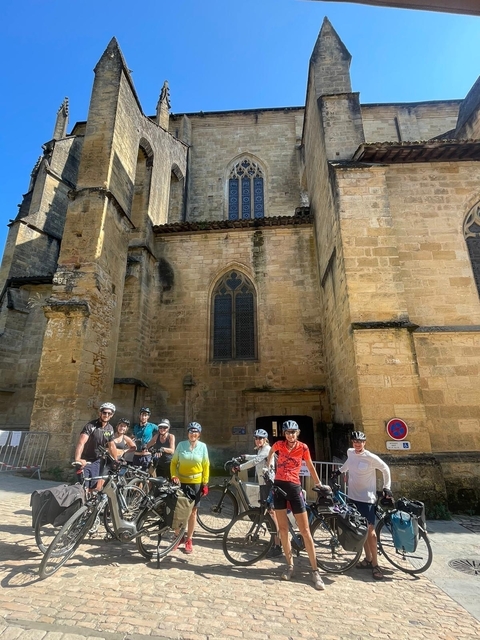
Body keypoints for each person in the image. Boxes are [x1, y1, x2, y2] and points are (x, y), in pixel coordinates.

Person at [266, 420, 326, 591]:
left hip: (294, 487)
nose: (290, 435)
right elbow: (271, 452)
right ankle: (290, 565)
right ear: (284, 433)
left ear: (297, 433)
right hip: (278, 486)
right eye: (287, 432)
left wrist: (319, 483)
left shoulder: (303, 447)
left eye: (293, 432)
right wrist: (269, 466)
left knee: (305, 531)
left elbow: (310, 465)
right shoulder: (279, 444)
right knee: (283, 530)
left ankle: (315, 571)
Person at [335, 430, 392, 581]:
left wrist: (387, 487)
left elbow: (385, 469)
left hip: (366, 500)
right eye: (355, 442)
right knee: (361, 531)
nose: (357, 444)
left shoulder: (370, 457)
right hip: (353, 498)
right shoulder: (351, 453)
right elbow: (349, 464)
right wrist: (339, 472)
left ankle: (375, 565)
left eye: (360, 442)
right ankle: (367, 559)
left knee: (371, 533)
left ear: (364, 443)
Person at [233, 428, 281, 557]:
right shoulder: (262, 450)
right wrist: (244, 456)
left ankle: (278, 544)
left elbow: (256, 461)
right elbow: (256, 457)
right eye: (256, 438)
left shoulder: (266, 449)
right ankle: (275, 540)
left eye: (260, 438)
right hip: (263, 484)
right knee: (268, 512)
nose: (258, 440)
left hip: (268, 485)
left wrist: (239, 467)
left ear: (265, 439)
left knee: (271, 513)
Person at [170, 421, 209, 554]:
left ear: (199, 434)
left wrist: (205, 483)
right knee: (179, 510)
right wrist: (174, 476)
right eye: (191, 431)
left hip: (196, 482)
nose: (193, 434)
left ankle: (189, 539)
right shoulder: (181, 445)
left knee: (193, 512)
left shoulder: (203, 447)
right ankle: (177, 537)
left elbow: (206, 465)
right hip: (181, 482)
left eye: (195, 432)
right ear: (188, 433)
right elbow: (174, 462)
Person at [73, 402, 117, 490]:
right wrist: (78, 459)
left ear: (112, 415)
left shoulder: (109, 429)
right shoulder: (91, 426)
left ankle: (88, 503)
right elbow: (81, 443)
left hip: (96, 461)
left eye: (109, 413)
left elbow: (112, 446)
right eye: (104, 412)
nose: (106, 415)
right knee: (83, 487)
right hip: (85, 460)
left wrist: (116, 460)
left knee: (93, 488)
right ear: (100, 413)